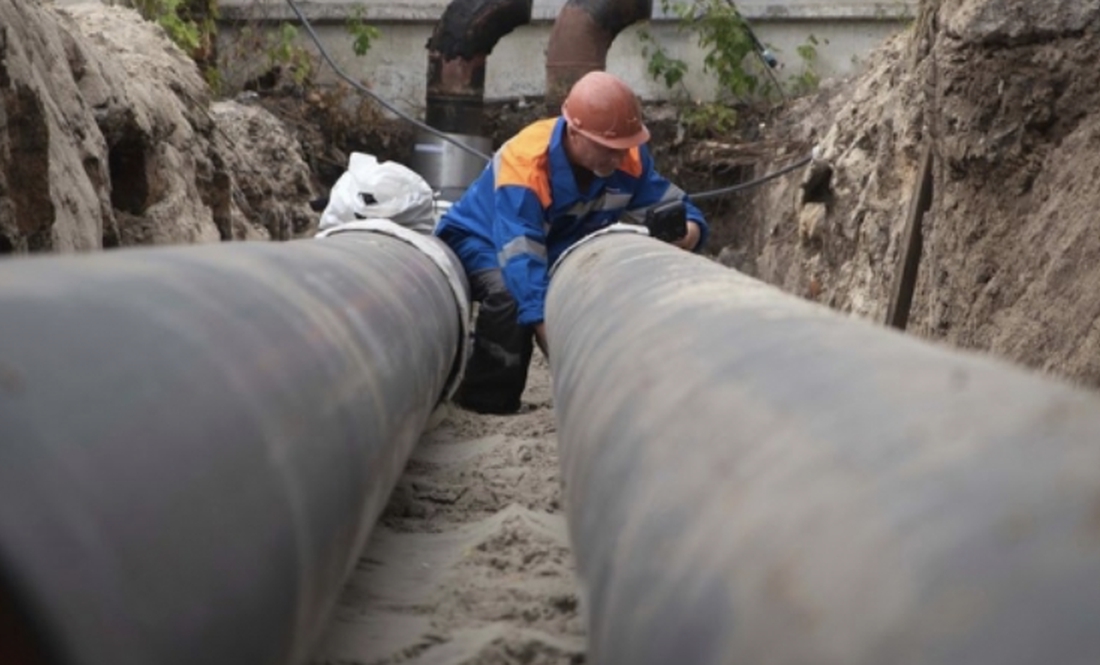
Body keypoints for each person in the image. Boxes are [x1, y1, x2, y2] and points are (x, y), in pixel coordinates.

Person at [434, 70, 709, 414]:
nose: (618, 158)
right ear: (575, 134)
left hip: (550, 247)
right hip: (481, 237)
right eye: (608, 149)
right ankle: (486, 400)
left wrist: (689, 233)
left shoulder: (627, 159)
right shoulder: (526, 165)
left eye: (625, 147)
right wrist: (556, 344)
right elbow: (521, 260)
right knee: (509, 297)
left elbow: (681, 208)